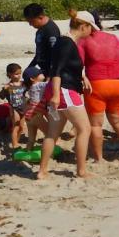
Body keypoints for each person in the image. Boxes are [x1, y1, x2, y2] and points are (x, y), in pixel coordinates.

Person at [70, 10, 119, 162]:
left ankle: (99, 158)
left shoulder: (83, 41)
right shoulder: (114, 38)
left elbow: (78, 65)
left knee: (96, 125)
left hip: (97, 85)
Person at [37, 31, 91, 180]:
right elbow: (56, 69)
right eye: (91, 27)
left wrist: (82, 76)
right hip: (63, 91)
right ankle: (81, 171)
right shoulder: (67, 42)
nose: (92, 31)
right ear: (83, 26)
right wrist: (55, 95)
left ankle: (42, 171)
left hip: (58, 90)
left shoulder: (63, 41)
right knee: (84, 129)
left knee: (52, 134)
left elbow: (65, 66)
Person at [23, 3, 62, 75]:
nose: (30, 24)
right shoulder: (40, 29)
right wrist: (29, 68)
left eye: (31, 21)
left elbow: (55, 55)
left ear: (40, 17)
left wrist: (51, 75)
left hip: (50, 72)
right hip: (43, 70)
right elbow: (39, 53)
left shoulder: (51, 30)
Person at [0, 63, 27, 148]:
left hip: (23, 108)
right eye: (16, 74)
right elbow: (1, 96)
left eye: (20, 73)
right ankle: (14, 144)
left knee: (21, 127)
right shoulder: (9, 86)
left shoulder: (23, 84)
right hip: (14, 108)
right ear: (9, 74)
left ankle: (16, 141)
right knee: (16, 126)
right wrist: (4, 89)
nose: (18, 76)